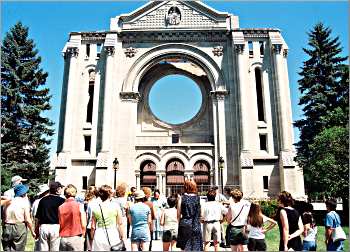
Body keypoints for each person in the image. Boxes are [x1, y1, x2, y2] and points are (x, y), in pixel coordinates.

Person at [1, 184, 35, 251]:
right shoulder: (24, 202)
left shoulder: (7, 202)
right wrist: (32, 231)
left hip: (7, 226)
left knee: (7, 248)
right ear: (24, 193)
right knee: (18, 248)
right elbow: (28, 219)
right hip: (19, 227)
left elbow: (3, 217)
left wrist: (3, 226)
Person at [91, 185, 125, 251]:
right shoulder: (115, 206)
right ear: (110, 195)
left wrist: (92, 237)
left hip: (99, 234)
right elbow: (120, 223)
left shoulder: (95, 208)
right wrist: (122, 236)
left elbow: (93, 226)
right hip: (112, 233)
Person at [35, 181, 65, 251]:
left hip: (44, 227)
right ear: (57, 189)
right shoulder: (62, 201)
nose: (61, 190)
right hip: (56, 227)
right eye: (61, 188)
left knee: (43, 249)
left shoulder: (43, 200)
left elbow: (37, 217)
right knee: (55, 249)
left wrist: (36, 229)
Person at [58, 184, 86, 251]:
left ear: (65, 194)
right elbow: (83, 224)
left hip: (63, 238)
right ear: (75, 193)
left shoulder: (60, 207)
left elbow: (60, 222)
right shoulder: (79, 206)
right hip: (76, 237)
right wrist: (83, 236)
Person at [176, 179, 203, 251]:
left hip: (185, 224)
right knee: (196, 247)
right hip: (196, 224)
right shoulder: (198, 198)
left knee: (184, 247)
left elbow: (178, 214)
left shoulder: (181, 198)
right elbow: (201, 214)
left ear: (185, 187)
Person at [31, 184, 50, 251]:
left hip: (41, 227)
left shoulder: (36, 202)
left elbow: (35, 217)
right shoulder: (53, 200)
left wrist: (35, 229)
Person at [84, 186, 100, 251]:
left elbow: (87, 216)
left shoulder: (89, 203)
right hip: (98, 226)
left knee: (90, 246)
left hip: (90, 225)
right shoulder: (99, 202)